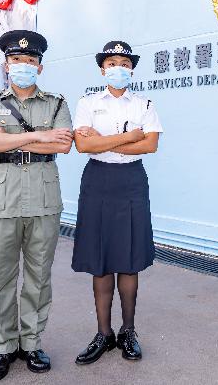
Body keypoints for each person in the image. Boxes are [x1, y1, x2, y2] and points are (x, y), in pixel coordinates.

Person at [0, 30, 73, 383]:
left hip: (44, 201)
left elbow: (62, 147)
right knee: (0, 279)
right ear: (6, 65)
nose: (23, 66)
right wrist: (36, 136)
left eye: (30, 61)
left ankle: (31, 343)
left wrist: (7, 137)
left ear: (40, 67)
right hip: (0, 201)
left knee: (38, 278)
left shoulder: (56, 103)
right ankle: (4, 348)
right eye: (16, 60)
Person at [70, 40, 162, 364]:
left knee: (129, 259)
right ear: (102, 69)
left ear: (131, 68)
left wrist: (105, 143)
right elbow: (83, 146)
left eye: (124, 63)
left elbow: (150, 145)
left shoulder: (144, 104)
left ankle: (128, 331)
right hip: (97, 181)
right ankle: (104, 333)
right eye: (112, 63)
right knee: (101, 258)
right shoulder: (87, 102)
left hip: (131, 182)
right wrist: (128, 137)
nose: (118, 69)